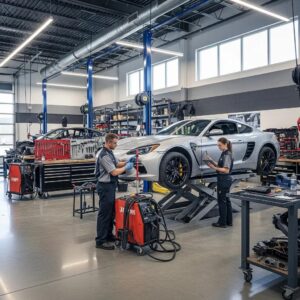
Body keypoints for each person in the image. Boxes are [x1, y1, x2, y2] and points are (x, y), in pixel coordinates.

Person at [95, 133, 134, 250]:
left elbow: (117, 163)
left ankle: (108, 235)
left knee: (111, 213)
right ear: (108, 142)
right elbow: (114, 172)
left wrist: (127, 162)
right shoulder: (103, 155)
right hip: (105, 186)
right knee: (104, 214)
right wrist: (126, 168)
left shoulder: (110, 153)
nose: (116, 145)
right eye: (115, 143)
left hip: (110, 186)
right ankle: (100, 241)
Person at [207, 137, 234, 228]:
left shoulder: (227, 155)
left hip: (224, 179)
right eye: (218, 145)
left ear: (225, 144)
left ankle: (222, 223)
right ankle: (229, 221)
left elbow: (226, 170)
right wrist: (212, 161)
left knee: (222, 201)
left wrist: (213, 168)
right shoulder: (224, 153)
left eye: (220, 145)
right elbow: (221, 166)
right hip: (225, 180)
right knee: (226, 200)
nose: (218, 147)